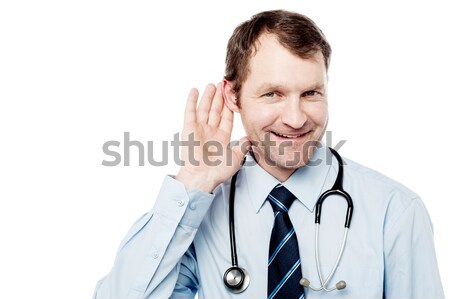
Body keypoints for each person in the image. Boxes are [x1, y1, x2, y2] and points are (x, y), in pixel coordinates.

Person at [93, 10, 444, 299]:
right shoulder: (198, 213)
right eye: (273, 94)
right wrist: (194, 181)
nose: (295, 119)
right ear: (233, 97)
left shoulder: (394, 211)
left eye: (310, 93)